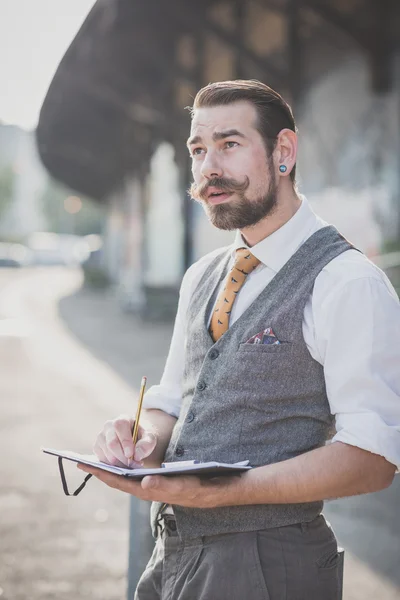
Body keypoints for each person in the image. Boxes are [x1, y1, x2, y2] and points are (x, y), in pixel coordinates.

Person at [78, 80, 400, 600]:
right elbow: (172, 401)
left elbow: (372, 458)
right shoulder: (201, 275)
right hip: (173, 553)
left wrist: (222, 494)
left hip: (270, 565)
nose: (208, 168)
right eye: (198, 150)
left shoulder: (347, 282)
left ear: (284, 153)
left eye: (229, 144)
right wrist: (139, 438)